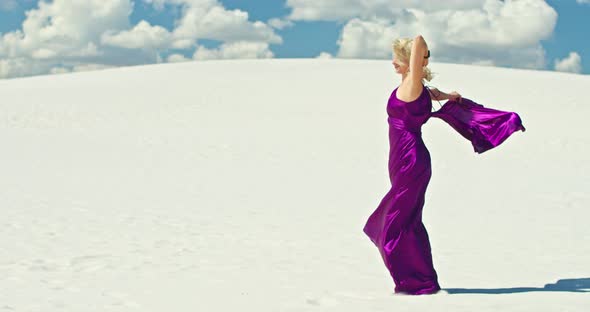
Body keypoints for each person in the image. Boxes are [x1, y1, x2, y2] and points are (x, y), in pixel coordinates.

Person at [362, 35, 525, 295]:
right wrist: (451, 96)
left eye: (399, 58)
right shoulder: (420, 89)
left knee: (397, 223)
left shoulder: (414, 85)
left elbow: (418, 42)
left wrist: (419, 50)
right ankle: (420, 280)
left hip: (410, 159)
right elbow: (440, 94)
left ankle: (417, 282)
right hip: (404, 158)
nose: (393, 62)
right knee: (408, 220)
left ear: (410, 63)